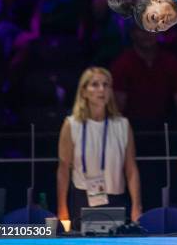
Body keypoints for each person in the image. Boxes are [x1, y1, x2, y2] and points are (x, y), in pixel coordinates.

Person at [57, 67, 142, 230]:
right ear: (84, 91)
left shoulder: (122, 125)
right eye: (95, 85)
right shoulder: (72, 124)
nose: (101, 89)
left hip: (116, 197)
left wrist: (137, 206)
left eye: (106, 85)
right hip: (83, 197)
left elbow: (131, 169)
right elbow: (63, 169)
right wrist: (62, 208)